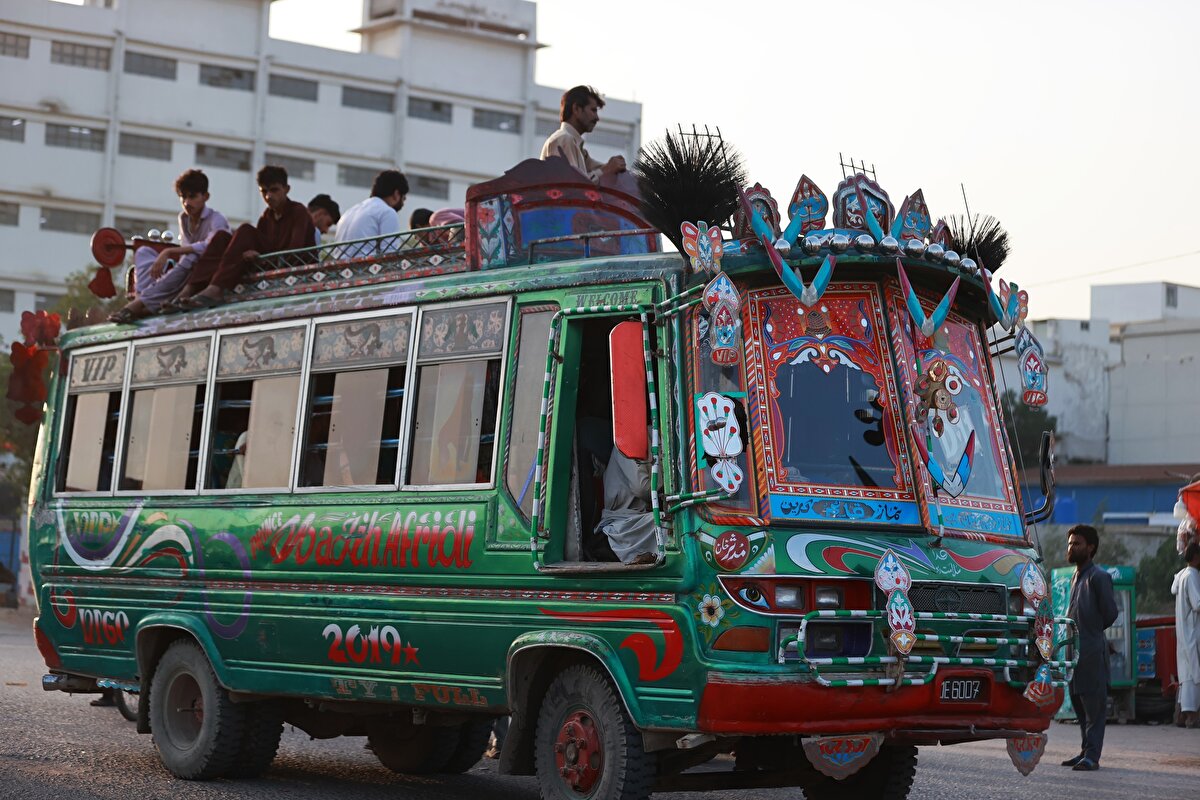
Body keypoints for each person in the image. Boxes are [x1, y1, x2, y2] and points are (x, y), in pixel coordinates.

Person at [171, 165, 316, 309]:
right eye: (264, 191)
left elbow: (294, 252)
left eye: (274, 190)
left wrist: (261, 257)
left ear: (286, 189)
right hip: (268, 262)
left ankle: (216, 289)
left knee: (246, 229)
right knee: (221, 237)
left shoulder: (298, 212)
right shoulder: (267, 217)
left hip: (293, 267)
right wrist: (255, 254)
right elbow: (260, 244)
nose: (268, 196)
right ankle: (189, 290)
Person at [107, 169, 230, 323]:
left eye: (192, 197)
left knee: (190, 256)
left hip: (202, 273)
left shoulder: (216, 219)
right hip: (184, 270)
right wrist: (168, 254)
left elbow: (210, 246)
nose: (186, 203)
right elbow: (186, 247)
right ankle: (143, 301)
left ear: (205, 197)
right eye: (183, 197)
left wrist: (169, 250)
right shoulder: (184, 218)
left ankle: (135, 307)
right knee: (144, 252)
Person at [1061, 524, 1119, 771]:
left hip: (1092, 651)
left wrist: (1092, 634)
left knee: (1094, 707)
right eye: (1070, 543)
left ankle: (1093, 757)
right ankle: (1085, 750)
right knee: (1079, 705)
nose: (1072, 547)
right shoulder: (1075, 576)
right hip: (1073, 653)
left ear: (1091, 548)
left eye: (1077, 544)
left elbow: (1110, 614)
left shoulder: (1099, 577)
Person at [540, 85, 626, 183]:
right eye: (593, 110)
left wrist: (613, 167)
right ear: (576, 109)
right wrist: (605, 170)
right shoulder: (564, 139)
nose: (597, 118)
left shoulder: (577, 148)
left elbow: (601, 169)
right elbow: (573, 186)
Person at [594, 437, 657, 566]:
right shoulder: (631, 439)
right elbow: (643, 488)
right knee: (672, 524)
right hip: (625, 517)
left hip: (640, 514)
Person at [333, 169, 408, 259]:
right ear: (396, 194)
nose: (403, 204)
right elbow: (390, 255)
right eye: (403, 198)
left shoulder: (350, 211)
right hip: (365, 269)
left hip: (339, 269)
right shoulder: (387, 212)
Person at [1172, 541, 1200, 728]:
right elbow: (1198, 603)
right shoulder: (1192, 576)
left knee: (1185, 673)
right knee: (1194, 673)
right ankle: (1192, 716)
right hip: (1192, 632)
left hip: (1182, 632)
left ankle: (1181, 715)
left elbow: (1173, 589)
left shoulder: (1181, 575)